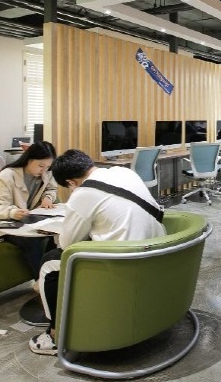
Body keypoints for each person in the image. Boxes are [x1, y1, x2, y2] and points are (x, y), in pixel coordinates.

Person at [29, 149, 166, 355]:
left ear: (71, 182)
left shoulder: (82, 193)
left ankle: (55, 335)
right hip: (158, 251)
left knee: (50, 262)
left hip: (126, 263)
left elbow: (67, 243)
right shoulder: (124, 172)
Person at [0, 141, 58, 280]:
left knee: (53, 234)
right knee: (31, 239)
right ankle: (41, 281)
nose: (44, 170)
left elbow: (51, 189)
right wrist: (12, 212)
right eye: (41, 166)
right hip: (5, 224)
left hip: (28, 220)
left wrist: (47, 198)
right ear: (29, 159)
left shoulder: (46, 174)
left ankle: (53, 278)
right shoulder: (6, 176)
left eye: (48, 167)